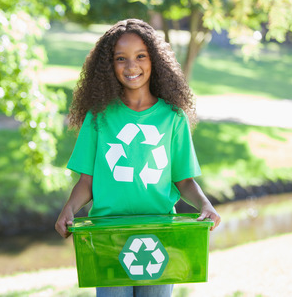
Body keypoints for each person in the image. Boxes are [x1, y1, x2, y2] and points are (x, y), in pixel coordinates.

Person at [55, 18, 221, 297]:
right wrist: (69, 208)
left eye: (140, 56)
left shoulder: (173, 117)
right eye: (121, 58)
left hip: (158, 232)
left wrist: (205, 205)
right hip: (107, 234)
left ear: (154, 60)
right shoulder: (98, 117)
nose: (131, 66)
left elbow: (183, 180)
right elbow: (87, 181)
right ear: (109, 66)